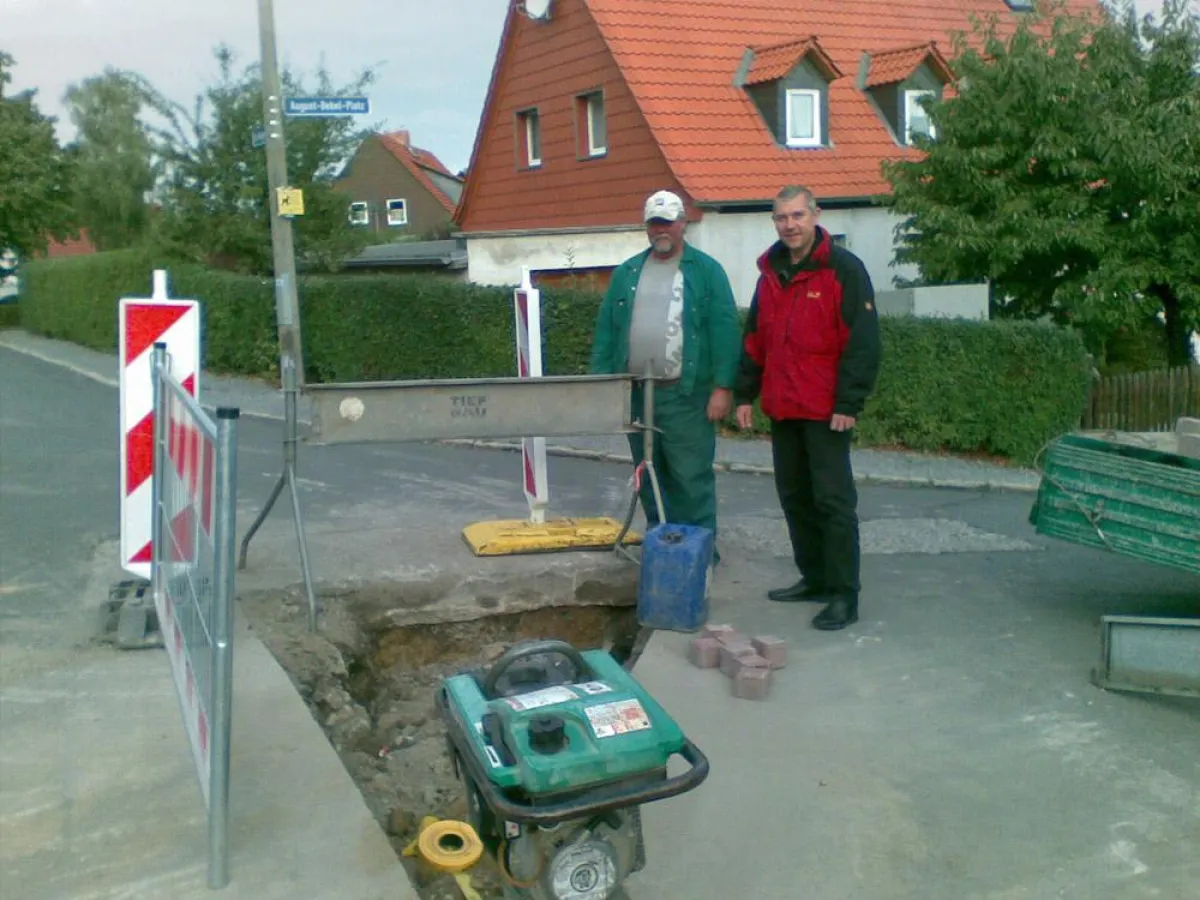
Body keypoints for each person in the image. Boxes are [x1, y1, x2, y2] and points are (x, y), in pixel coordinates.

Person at [733, 185, 882, 630]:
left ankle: (843, 595)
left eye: (797, 216)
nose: (789, 225)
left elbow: (864, 341)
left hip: (825, 410)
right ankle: (814, 579)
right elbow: (755, 337)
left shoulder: (844, 270)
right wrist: (745, 393)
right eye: (781, 218)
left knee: (833, 503)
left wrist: (848, 401)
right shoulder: (771, 273)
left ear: (816, 215)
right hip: (784, 406)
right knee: (795, 499)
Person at [590, 189, 743, 558]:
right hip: (639, 396)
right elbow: (607, 333)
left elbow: (725, 332)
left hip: (686, 395)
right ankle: (664, 547)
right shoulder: (628, 272)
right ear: (646, 227)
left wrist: (723, 388)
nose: (661, 230)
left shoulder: (707, 272)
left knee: (691, 478)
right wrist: (601, 387)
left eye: (668, 223)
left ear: (682, 223)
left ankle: (700, 554)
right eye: (654, 224)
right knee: (649, 475)